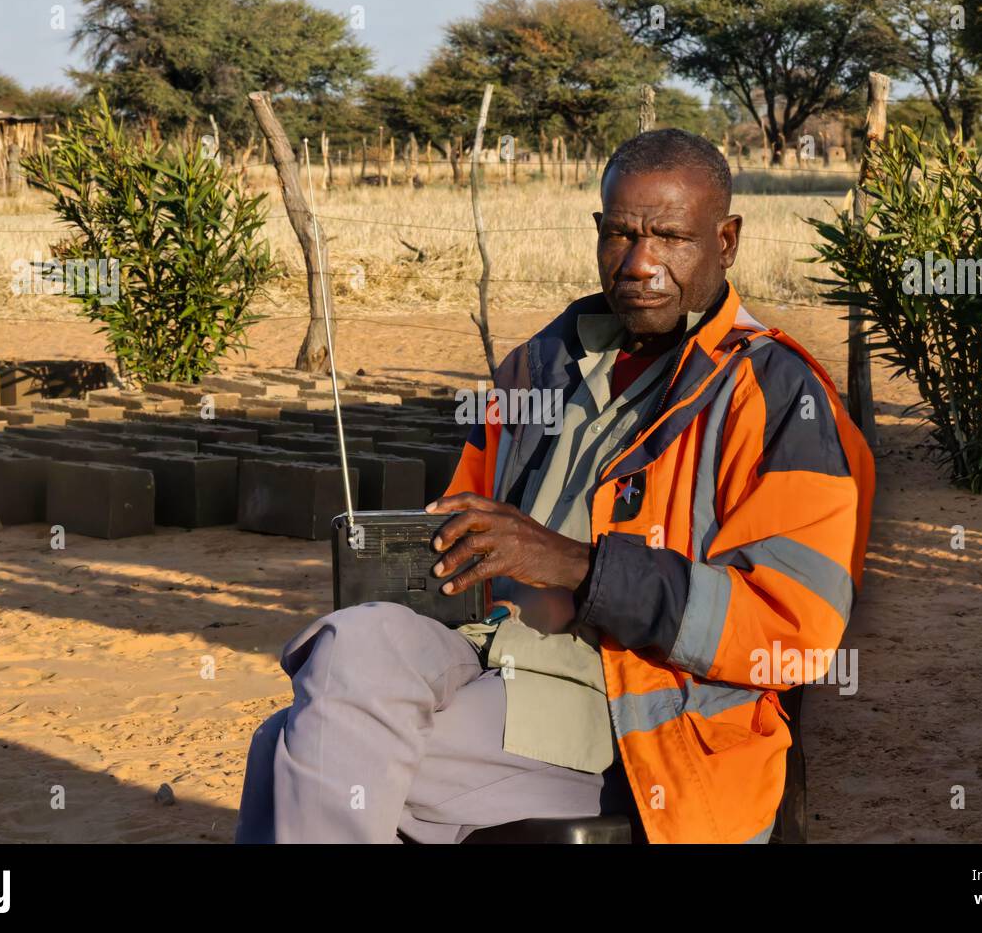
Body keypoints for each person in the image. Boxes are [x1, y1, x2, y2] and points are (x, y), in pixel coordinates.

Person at [235, 128, 875, 844]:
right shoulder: (540, 364)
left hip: (636, 709)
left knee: (293, 747)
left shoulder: (779, 396)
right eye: (622, 235)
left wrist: (580, 566)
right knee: (353, 642)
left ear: (725, 241)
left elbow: (794, 634)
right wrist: (423, 558)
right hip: (486, 650)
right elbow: (465, 534)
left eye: (670, 237)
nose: (640, 264)